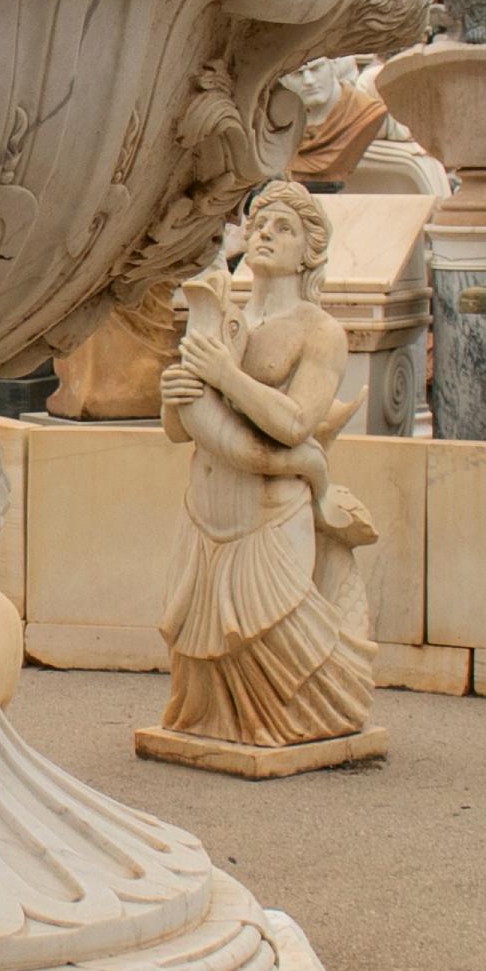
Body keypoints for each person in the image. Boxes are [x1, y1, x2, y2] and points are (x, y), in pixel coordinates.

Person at [149, 186, 380, 759]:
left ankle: (308, 719)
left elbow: (297, 423)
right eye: (258, 224)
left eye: (283, 226)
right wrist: (172, 396)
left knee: (278, 641)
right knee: (201, 655)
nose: (265, 233)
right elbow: (181, 431)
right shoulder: (221, 314)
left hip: (269, 511)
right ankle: (216, 729)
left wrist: (226, 375)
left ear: (309, 251)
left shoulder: (319, 330)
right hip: (207, 503)